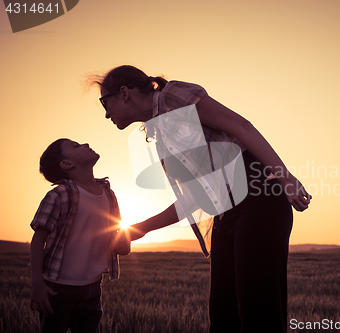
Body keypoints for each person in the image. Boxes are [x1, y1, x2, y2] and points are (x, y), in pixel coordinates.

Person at [93, 65, 311, 332]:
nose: (106, 113)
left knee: (259, 312)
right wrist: (140, 229)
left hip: (258, 200)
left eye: (105, 101)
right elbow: (195, 197)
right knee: (223, 315)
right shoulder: (159, 134)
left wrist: (284, 176)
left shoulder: (173, 95)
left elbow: (241, 126)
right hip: (227, 213)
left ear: (124, 93)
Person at [30, 138, 131, 333]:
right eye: (75, 146)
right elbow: (38, 240)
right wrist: (37, 285)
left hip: (93, 288)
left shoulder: (109, 194)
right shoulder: (59, 195)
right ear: (67, 164)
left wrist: (123, 241)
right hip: (58, 289)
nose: (84, 143)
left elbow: (119, 238)